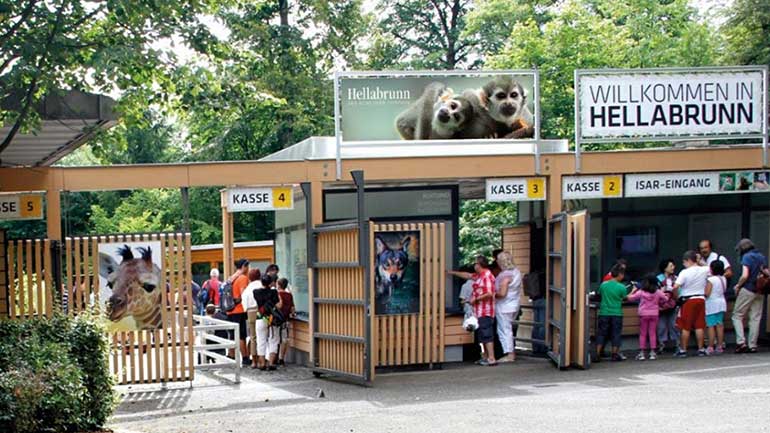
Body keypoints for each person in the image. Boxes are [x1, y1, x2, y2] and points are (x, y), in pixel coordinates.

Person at [448, 255, 497, 366]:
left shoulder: (487, 276)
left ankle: (491, 358)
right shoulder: (479, 276)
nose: (474, 265)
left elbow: (489, 293)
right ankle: (485, 357)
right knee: (481, 334)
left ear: (479, 265)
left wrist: (475, 299)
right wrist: (451, 272)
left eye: (475, 263)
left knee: (487, 334)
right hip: (478, 311)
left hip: (486, 310)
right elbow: (468, 275)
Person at [732, 238, 769, 354]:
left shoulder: (746, 257)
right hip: (760, 290)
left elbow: (745, 275)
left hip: (748, 288)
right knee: (755, 318)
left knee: (737, 315)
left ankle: (741, 343)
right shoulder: (761, 256)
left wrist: (738, 285)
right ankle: (752, 345)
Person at [672, 250, 709, 358]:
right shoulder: (704, 270)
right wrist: (700, 261)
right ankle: (701, 349)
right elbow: (709, 267)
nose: (684, 264)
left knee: (686, 326)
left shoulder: (684, 272)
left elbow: (675, 287)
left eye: (684, 262)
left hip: (688, 300)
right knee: (699, 325)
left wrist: (676, 297)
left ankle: (683, 350)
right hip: (701, 299)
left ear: (688, 260)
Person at [627, 274, 667, 361]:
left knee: (643, 333)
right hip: (654, 314)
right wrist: (660, 300)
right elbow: (665, 299)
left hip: (643, 314)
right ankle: (652, 353)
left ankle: (642, 353)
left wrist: (633, 290)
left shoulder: (641, 291)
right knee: (652, 333)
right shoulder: (657, 292)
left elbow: (630, 298)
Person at [595, 264, 628, 362]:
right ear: (620, 275)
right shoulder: (622, 287)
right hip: (617, 313)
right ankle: (614, 354)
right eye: (622, 274)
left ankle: (597, 354)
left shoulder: (603, 285)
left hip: (604, 312)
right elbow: (625, 298)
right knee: (616, 334)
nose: (623, 276)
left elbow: (599, 295)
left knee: (601, 333)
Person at [494, 251, 522, 363]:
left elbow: (502, 294)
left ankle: (510, 354)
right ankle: (510, 353)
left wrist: (491, 294)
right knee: (508, 329)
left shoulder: (505, 276)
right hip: (514, 304)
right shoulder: (516, 272)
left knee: (504, 330)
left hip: (503, 306)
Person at [253, 274, 282, 370]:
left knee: (261, 340)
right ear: (270, 282)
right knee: (273, 339)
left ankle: (262, 363)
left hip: (261, 317)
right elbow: (279, 305)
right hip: (272, 318)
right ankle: (271, 362)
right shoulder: (274, 292)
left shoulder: (256, 292)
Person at [227, 259, 251, 366]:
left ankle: (230, 355)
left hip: (230, 310)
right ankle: (245, 358)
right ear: (244, 266)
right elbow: (243, 294)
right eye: (248, 266)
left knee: (232, 334)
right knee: (241, 335)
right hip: (239, 310)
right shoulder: (243, 278)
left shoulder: (232, 278)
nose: (248, 269)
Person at [705, 260, 728, 355]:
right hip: (721, 302)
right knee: (719, 325)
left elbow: (707, 293)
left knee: (710, 325)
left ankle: (710, 346)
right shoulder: (723, 278)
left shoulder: (711, 280)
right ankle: (719, 346)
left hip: (711, 304)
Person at [656, 259, 679, 353]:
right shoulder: (658, 279)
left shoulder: (676, 278)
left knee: (674, 324)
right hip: (661, 307)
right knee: (661, 326)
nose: (673, 267)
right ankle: (661, 344)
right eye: (671, 266)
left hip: (673, 305)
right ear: (665, 268)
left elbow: (679, 291)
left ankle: (677, 344)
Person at [242, 268, 262, 368]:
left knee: (253, 337)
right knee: (263, 336)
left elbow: (244, 304)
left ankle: (254, 361)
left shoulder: (247, 289)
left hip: (250, 312)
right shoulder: (262, 286)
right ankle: (262, 360)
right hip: (262, 311)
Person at [276, 277, 296, 366]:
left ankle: (274, 357)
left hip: (276, 319)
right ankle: (281, 358)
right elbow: (292, 308)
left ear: (279, 285)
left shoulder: (277, 294)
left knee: (275, 338)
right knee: (284, 339)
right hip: (285, 319)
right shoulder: (289, 295)